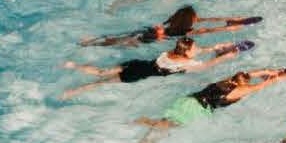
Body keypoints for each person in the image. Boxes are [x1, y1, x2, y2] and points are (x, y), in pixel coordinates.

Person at [135, 67, 286, 143]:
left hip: (189, 100)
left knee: (169, 121)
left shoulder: (228, 81)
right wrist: (282, 76)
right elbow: (262, 85)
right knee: (173, 124)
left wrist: (265, 70)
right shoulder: (240, 89)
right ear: (244, 84)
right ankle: (146, 123)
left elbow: (248, 74)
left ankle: (148, 141)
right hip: (197, 108)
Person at [60, 35, 250, 99]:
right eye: (195, 48)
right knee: (101, 83)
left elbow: (198, 52)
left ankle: (74, 65)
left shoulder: (173, 53)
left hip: (137, 64)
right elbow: (207, 64)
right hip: (137, 74)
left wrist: (216, 47)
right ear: (187, 52)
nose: (197, 49)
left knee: (102, 72)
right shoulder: (186, 63)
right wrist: (226, 56)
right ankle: (74, 91)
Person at [79, 5, 257, 48]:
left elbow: (206, 20)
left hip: (149, 31)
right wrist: (229, 27)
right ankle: (93, 44)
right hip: (151, 38)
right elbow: (209, 28)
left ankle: (91, 42)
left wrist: (234, 18)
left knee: (117, 38)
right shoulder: (187, 30)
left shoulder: (173, 21)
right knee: (121, 43)